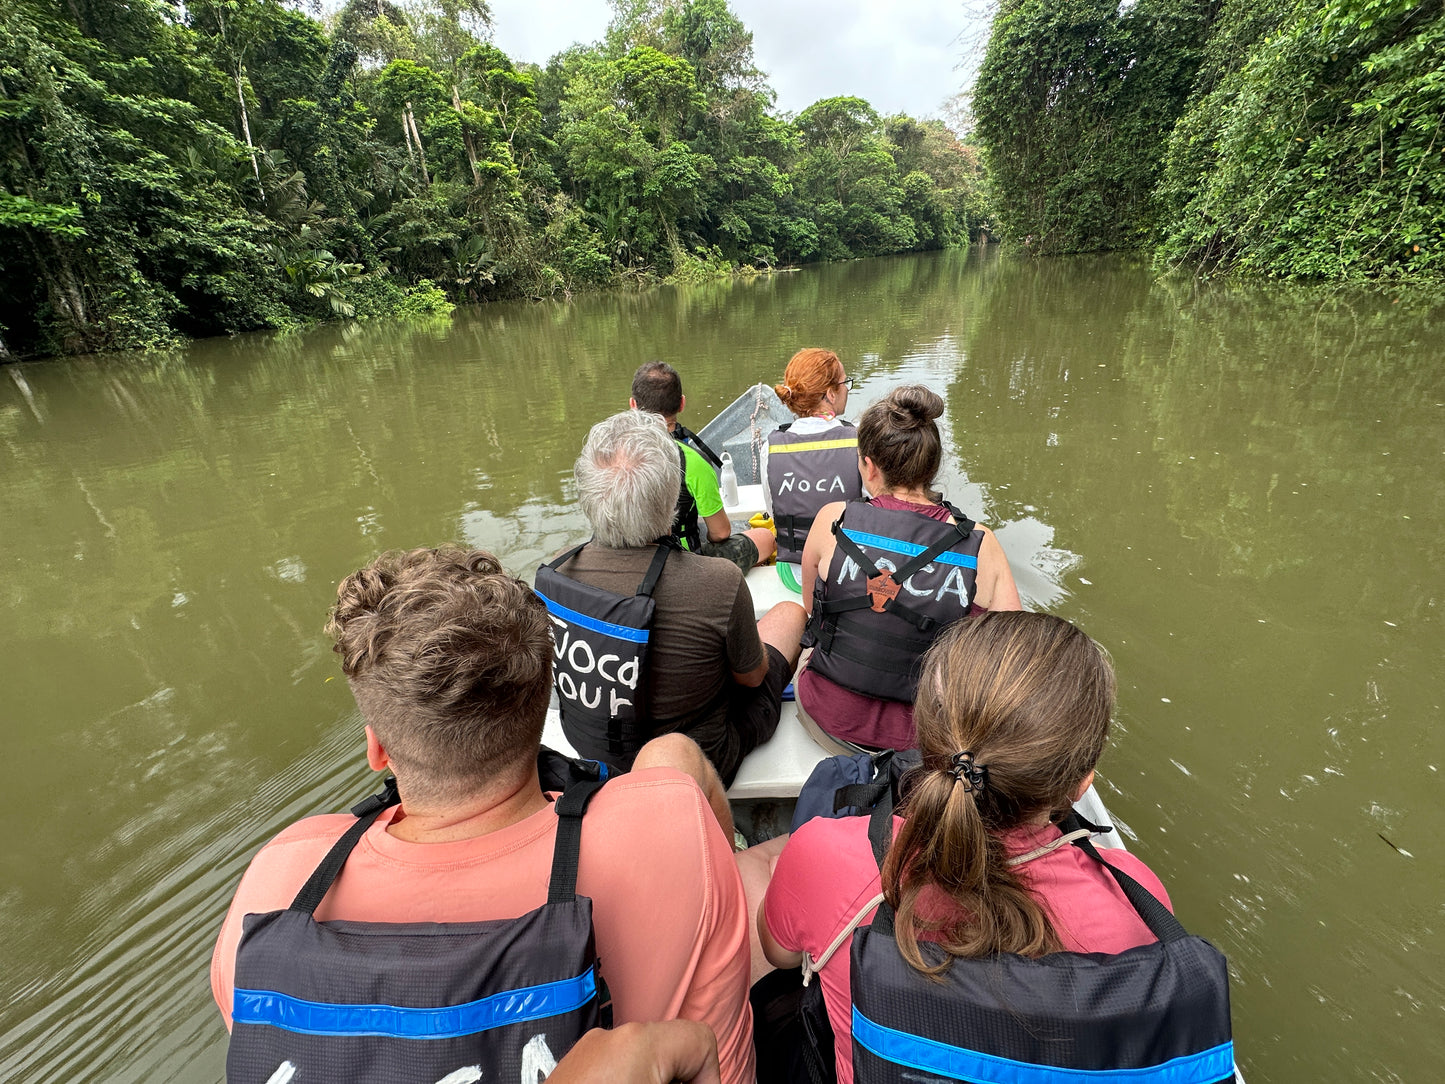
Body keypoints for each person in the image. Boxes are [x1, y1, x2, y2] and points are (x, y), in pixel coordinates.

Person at [211, 545, 757, 1084]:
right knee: (675, 758)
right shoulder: (667, 824)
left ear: (377, 749)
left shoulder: (279, 881)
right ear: (543, 705)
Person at [760, 611, 1174, 1084]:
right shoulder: (1137, 901)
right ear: (1081, 784)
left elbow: (780, 956)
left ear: (925, 741)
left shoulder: (826, 857)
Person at [543, 409, 805, 806]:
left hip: (599, 754)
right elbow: (752, 680)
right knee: (790, 614)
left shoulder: (558, 568)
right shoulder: (717, 580)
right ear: (672, 498)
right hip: (703, 761)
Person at [797, 385, 1021, 750]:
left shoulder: (832, 519)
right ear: (932, 467)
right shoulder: (982, 544)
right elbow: (1009, 661)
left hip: (828, 720)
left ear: (869, 466)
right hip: (928, 745)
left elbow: (811, 611)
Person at [631, 360, 776, 573]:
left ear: (633, 405)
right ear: (681, 403)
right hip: (680, 561)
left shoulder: (611, 454)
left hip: (627, 557)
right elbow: (720, 533)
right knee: (764, 538)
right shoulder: (692, 460)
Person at [764, 348, 865, 565]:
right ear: (830, 394)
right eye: (844, 383)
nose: (847, 389)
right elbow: (872, 509)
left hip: (792, 571)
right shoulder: (859, 440)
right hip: (846, 570)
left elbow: (773, 509)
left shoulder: (771, 447)